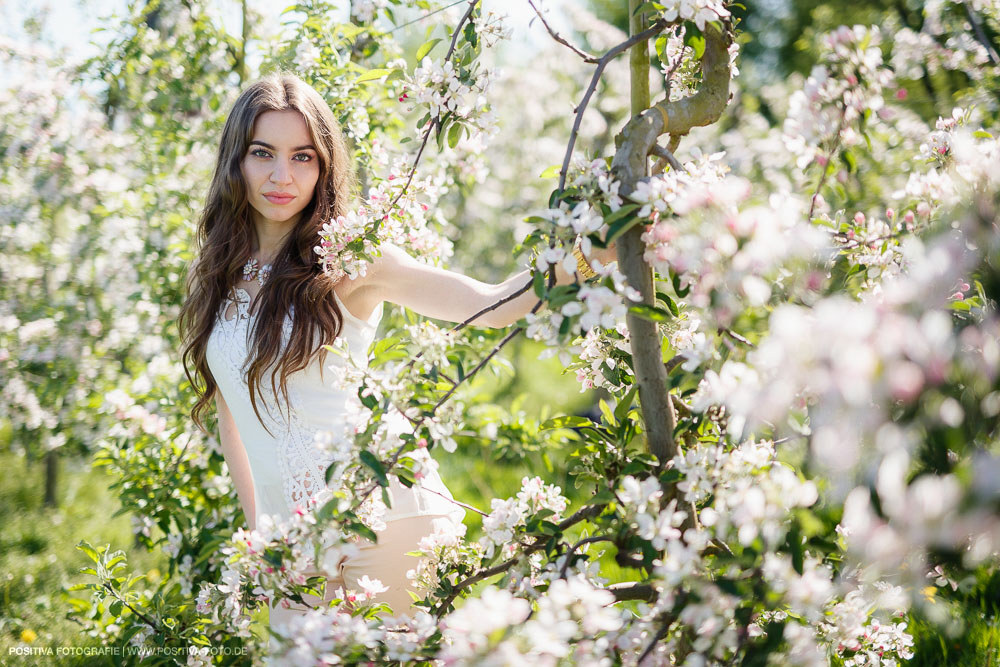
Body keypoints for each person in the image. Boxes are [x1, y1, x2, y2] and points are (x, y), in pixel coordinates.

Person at [177, 71, 615, 629]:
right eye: (264, 153)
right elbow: (230, 410)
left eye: (303, 157)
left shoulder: (351, 258)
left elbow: (488, 302)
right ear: (236, 159)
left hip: (384, 518)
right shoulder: (219, 271)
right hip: (293, 542)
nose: (282, 176)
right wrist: (260, 533)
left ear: (325, 165)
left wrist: (583, 257)